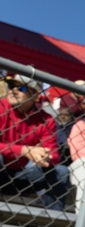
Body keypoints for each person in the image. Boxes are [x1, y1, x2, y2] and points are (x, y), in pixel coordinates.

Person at [0, 74, 69, 209]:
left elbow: (54, 155)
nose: (14, 90)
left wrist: (45, 156)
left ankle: (52, 226)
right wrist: (25, 150)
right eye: (12, 86)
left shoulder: (45, 119)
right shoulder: (1, 107)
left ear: (35, 95)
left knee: (62, 172)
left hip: (22, 174)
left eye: (22, 89)